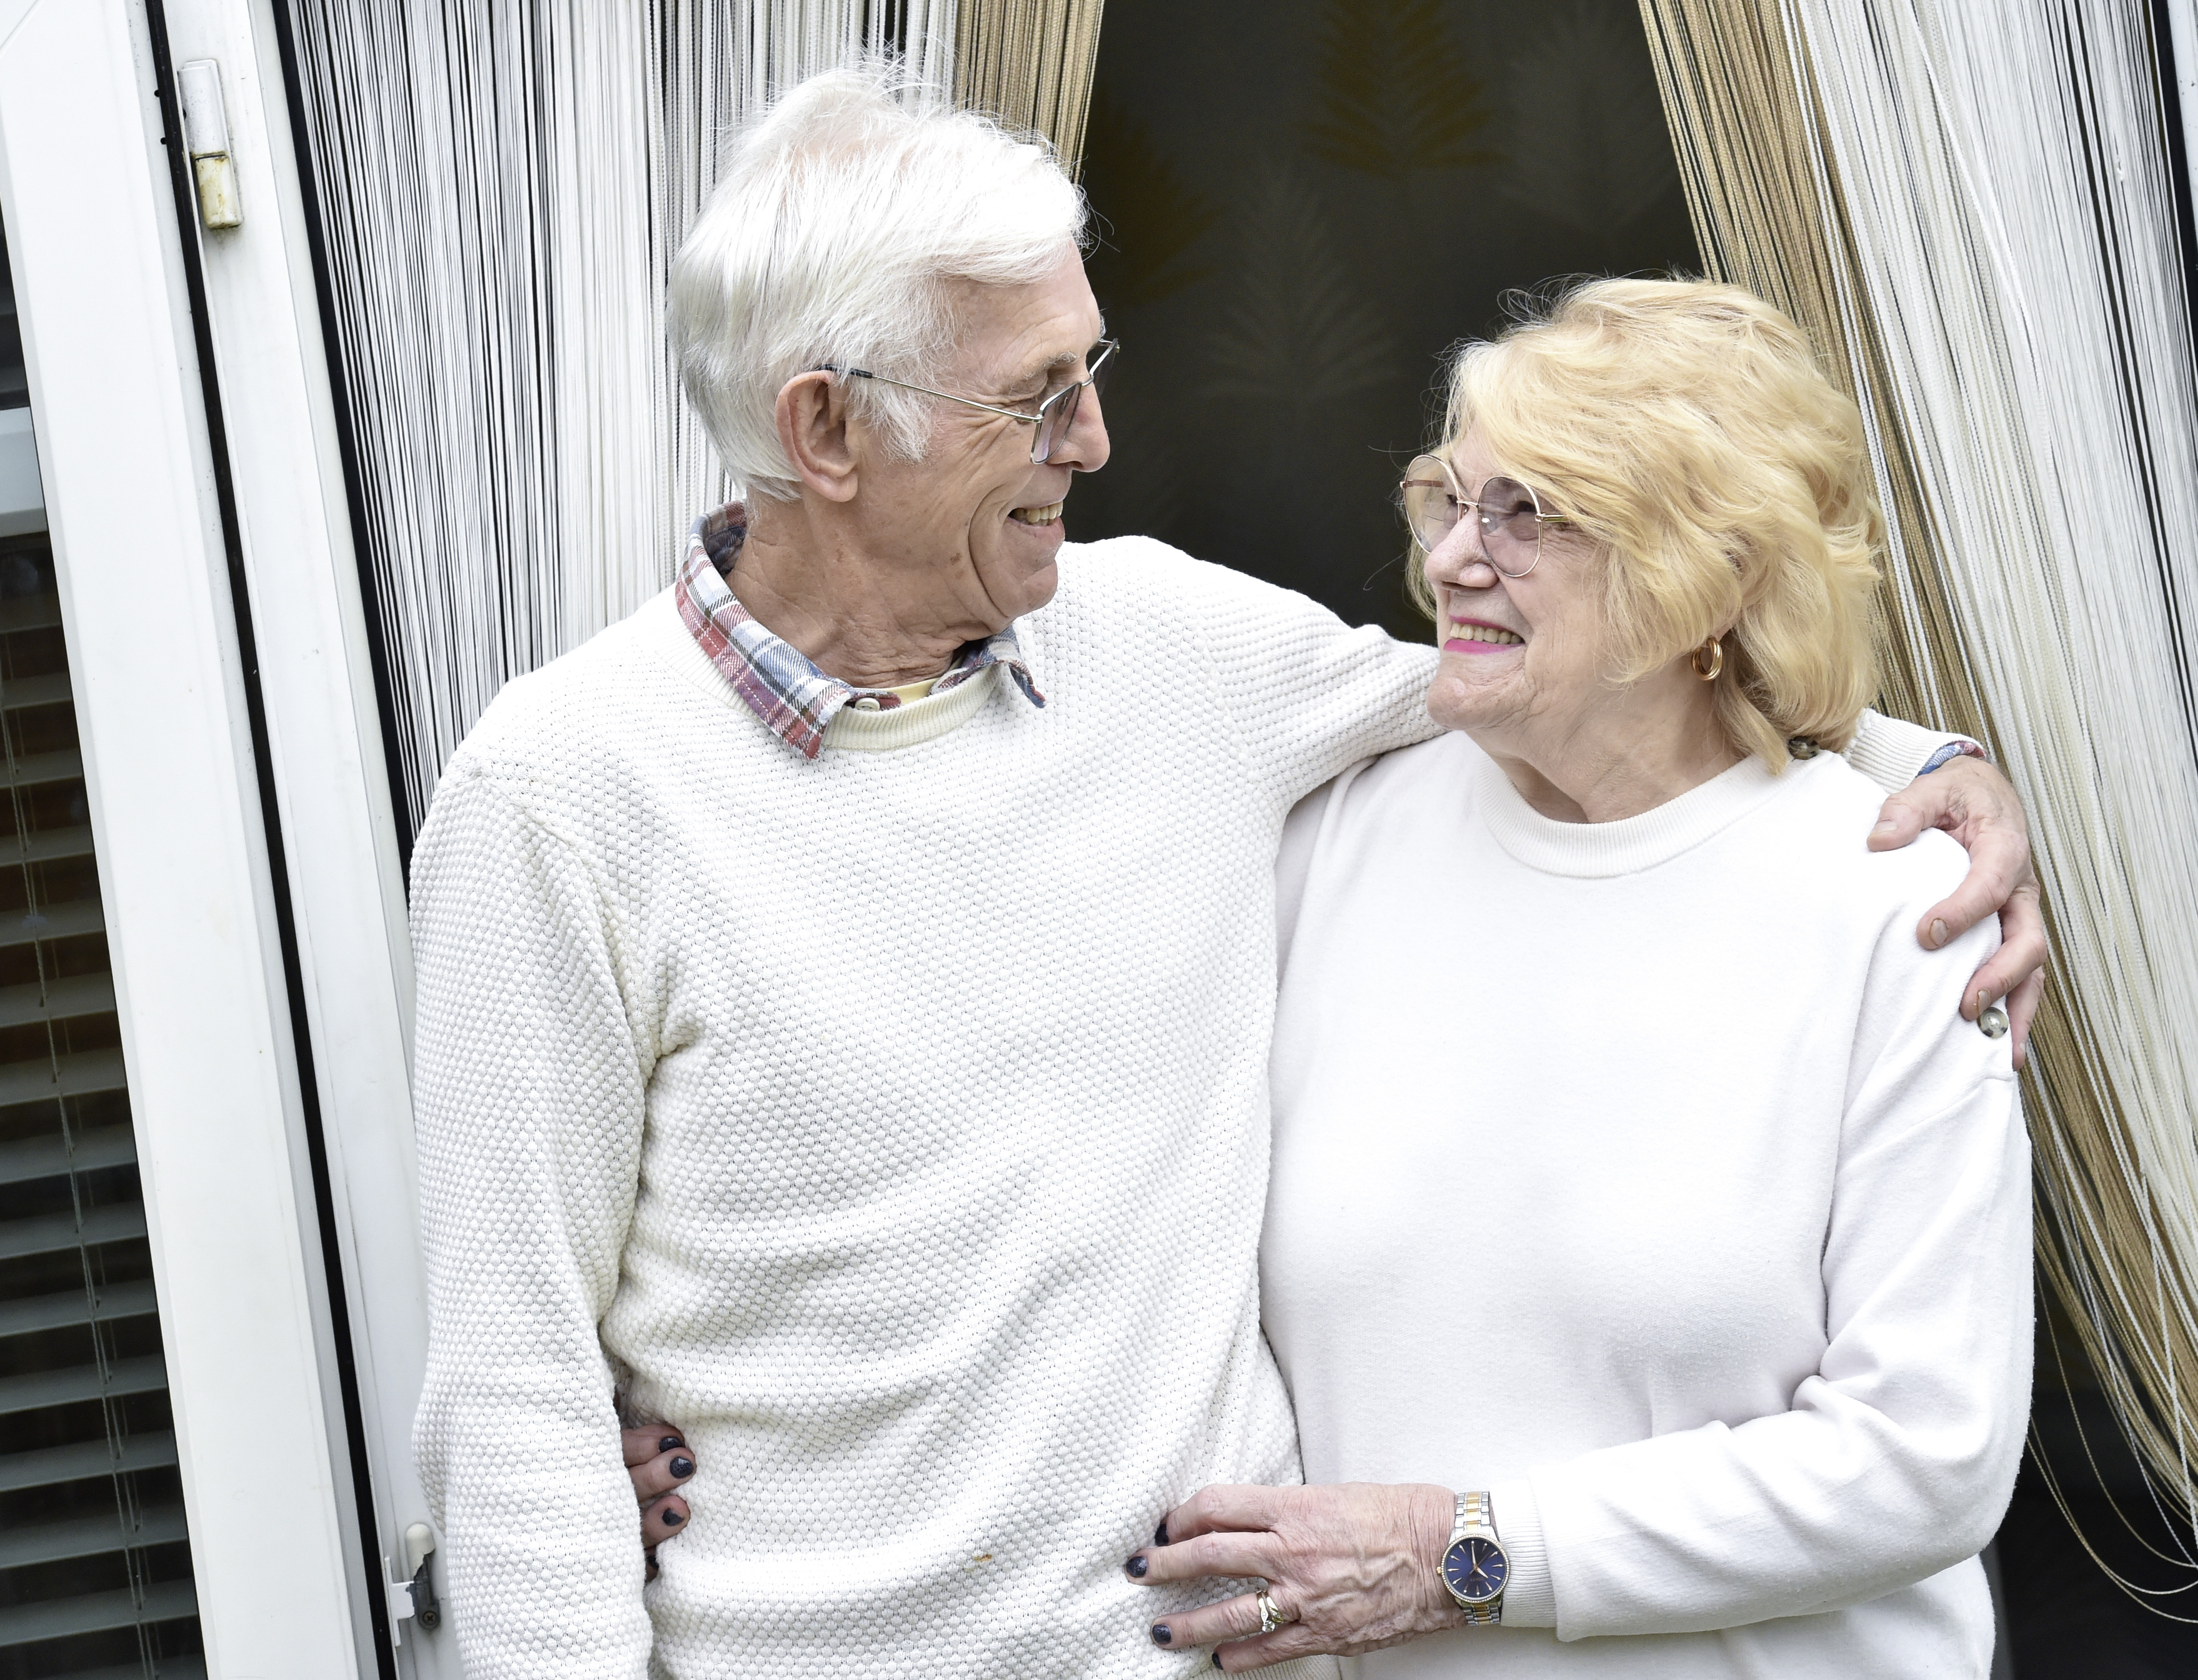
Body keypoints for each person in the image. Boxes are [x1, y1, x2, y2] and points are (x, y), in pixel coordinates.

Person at [413, 60, 2041, 1676]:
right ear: (825, 430)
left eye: (1091, 369)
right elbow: (515, 1398)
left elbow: (1570, 683)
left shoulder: (1168, 651)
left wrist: (1922, 770)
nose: (1099, 440)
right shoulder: (561, 802)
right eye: (1035, 396)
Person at [1121, 281, 2030, 1676]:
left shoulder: (1896, 908)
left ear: (1715, 578)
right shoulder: (1323, 842)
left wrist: (1464, 1557)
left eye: (1531, 513)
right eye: (1449, 498)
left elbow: (1927, 1461)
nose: (1454, 562)